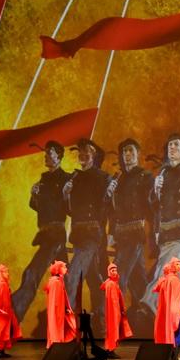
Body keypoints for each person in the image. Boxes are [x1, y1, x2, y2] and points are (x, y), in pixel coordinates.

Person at [13, 141, 71, 321]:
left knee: (33, 272)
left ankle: (14, 311)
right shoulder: (43, 180)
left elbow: (69, 208)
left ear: (59, 157)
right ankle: (67, 315)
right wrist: (34, 196)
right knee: (63, 277)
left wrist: (67, 194)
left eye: (50, 153)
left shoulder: (67, 179)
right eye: (45, 153)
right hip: (46, 235)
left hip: (55, 234)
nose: (46, 156)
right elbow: (39, 207)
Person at [142, 134, 180, 314]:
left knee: (164, 267)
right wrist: (156, 191)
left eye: (176, 145)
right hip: (164, 231)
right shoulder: (163, 173)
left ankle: (150, 302)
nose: (172, 148)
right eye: (170, 146)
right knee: (178, 272)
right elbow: (154, 207)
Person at [63, 139, 111, 325]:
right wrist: (66, 195)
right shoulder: (73, 178)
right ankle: (103, 315)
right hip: (78, 235)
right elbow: (69, 211)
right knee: (92, 278)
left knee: (73, 275)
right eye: (80, 152)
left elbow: (108, 207)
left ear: (94, 156)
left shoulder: (103, 178)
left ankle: (66, 321)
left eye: (87, 152)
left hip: (92, 235)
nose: (82, 155)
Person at [105, 138, 153, 318]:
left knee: (118, 274)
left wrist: (155, 232)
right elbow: (113, 210)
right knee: (137, 278)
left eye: (131, 151)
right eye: (125, 151)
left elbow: (152, 206)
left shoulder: (145, 176)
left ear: (138, 154)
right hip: (120, 234)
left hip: (136, 233)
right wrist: (111, 232)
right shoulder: (118, 178)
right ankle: (150, 315)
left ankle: (113, 318)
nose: (128, 154)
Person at [154, 257, 180, 360]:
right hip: (176, 311)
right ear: (172, 265)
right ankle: (174, 357)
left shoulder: (166, 279)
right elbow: (175, 299)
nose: (179, 266)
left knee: (173, 334)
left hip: (171, 311)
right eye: (177, 264)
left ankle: (172, 357)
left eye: (179, 264)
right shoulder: (173, 280)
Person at [100, 263, 132, 358]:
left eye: (115, 270)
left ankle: (110, 349)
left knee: (113, 331)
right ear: (109, 272)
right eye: (112, 270)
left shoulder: (112, 283)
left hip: (115, 312)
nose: (114, 272)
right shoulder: (111, 284)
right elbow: (113, 301)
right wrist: (118, 313)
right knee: (113, 331)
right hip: (113, 313)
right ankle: (110, 350)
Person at [0, 264, 22, 358]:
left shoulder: (4, 283)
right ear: (1, 273)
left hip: (7, 311)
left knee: (6, 331)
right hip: (3, 311)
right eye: (5, 272)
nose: (7, 274)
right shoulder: (1, 284)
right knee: (2, 331)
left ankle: (1, 349)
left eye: (7, 272)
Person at [45, 260, 77, 347]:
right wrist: (64, 309)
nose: (66, 268)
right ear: (58, 269)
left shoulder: (56, 281)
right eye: (64, 267)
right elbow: (57, 299)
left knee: (60, 327)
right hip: (57, 311)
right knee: (57, 327)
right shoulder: (56, 282)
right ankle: (56, 345)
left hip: (57, 310)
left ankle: (57, 344)